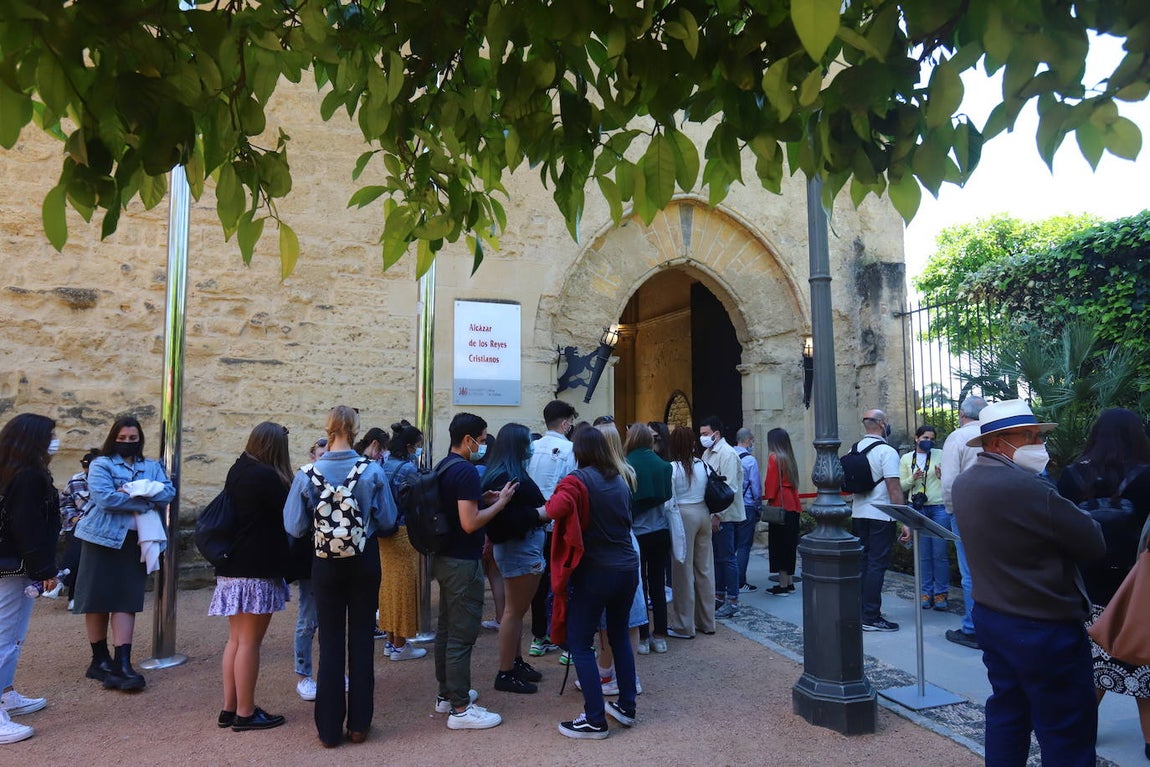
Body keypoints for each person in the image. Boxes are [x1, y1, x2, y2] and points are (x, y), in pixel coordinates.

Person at [952, 399, 1105, 767]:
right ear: (996, 443)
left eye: (1038, 436)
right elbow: (1093, 541)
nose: (1040, 445)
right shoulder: (1028, 487)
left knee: (1008, 713)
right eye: (1030, 436)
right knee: (1066, 729)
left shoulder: (965, 482)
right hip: (1043, 624)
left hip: (993, 614)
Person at [283, 406, 397, 747]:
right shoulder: (371, 471)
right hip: (364, 558)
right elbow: (388, 519)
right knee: (361, 639)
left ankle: (329, 729)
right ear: (356, 429)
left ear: (328, 429)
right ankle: (359, 724)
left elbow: (294, 525)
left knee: (330, 641)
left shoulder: (307, 473)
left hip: (325, 562)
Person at [1055, 407, 1150, 759]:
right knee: (1144, 661)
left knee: (1090, 665)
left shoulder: (1071, 476)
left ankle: (1082, 735)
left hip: (1085, 584)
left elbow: (1059, 530)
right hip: (1138, 586)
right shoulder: (1147, 476)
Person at [547, 426, 640, 739]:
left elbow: (554, 509)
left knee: (580, 643)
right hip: (627, 567)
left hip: (596, 571)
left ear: (579, 451)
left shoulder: (578, 480)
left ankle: (594, 719)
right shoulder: (620, 479)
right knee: (618, 635)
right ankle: (626, 706)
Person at [73, 416, 176, 692]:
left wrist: (130, 494)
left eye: (133, 438)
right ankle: (99, 660)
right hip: (100, 538)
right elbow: (105, 499)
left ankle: (122, 662)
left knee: (126, 601)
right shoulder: (101, 464)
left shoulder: (151, 466)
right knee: (96, 600)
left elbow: (168, 493)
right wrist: (145, 500)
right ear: (113, 438)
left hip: (134, 541)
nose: (128, 442)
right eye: (122, 438)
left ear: (140, 439)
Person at [431, 412, 517, 730]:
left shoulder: (444, 466)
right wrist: (500, 503)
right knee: (461, 635)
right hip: (463, 562)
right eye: (481, 439)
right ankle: (460, 708)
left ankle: (446, 694)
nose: (483, 445)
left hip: (444, 557)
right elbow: (469, 523)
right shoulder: (465, 470)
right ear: (468, 440)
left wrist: (482, 499)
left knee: (446, 630)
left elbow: (456, 508)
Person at [210, 422, 294, 732]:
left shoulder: (238, 469)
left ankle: (230, 707)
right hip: (256, 568)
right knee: (249, 643)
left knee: (235, 640)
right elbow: (289, 514)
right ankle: (245, 713)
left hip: (233, 565)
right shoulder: (267, 477)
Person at [0, 414, 61, 744]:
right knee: (5, 636)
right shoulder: (27, 476)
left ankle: (6, 693)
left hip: (13, 563)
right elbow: (27, 526)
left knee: (13, 635)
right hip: (14, 566)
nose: (54, 441)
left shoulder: (14, 472)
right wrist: (44, 569)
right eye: (50, 436)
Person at [481, 423, 548, 693]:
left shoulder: (505, 472)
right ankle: (506, 671)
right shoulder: (506, 476)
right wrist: (539, 514)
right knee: (513, 612)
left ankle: (515, 661)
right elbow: (506, 519)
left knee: (516, 612)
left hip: (519, 548)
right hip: (518, 549)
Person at [525, 400, 577, 658]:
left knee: (539, 581)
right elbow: (574, 487)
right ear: (565, 423)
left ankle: (539, 636)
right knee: (563, 581)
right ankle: (566, 641)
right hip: (559, 524)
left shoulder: (531, 448)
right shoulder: (570, 449)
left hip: (535, 522)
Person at [850, 409, 906, 632]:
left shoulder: (854, 449)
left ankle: (860, 609)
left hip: (858, 513)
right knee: (876, 565)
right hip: (881, 514)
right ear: (882, 424)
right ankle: (871, 616)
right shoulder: (887, 451)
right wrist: (904, 520)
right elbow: (894, 488)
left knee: (863, 563)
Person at [377, 421, 428, 662]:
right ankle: (400, 644)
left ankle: (391, 640)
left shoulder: (384, 465)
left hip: (385, 533)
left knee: (389, 586)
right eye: (417, 445)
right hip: (404, 532)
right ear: (409, 446)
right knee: (405, 587)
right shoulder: (408, 469)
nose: (418, 450)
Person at [940, 396, 987, 650]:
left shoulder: (957, 437)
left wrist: (951, 510)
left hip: (966, 509)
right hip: (997, 508)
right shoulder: (993, 433)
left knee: (970, 571)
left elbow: (949, 481)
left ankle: (973, 628)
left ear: (961, 414)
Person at [624, 424, 672, 654]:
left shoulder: (626, 465)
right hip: (660, 530)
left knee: (639, 585)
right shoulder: (662, 465)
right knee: (658, 584)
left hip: (637, 532)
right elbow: (667, 495)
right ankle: (660, 635)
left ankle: (642, 636)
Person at [667, 425, 714, 638]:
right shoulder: (702, 464)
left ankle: (684, 625)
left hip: (683, 516)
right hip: (703, 513)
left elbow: (669, 500)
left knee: (682, 570)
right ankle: (707, 621)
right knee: (705, 569)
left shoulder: (672, 468)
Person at [290, 437, 326, 701]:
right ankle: (304, 675)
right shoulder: (304, 478)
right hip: (312, 558)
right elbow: (295, 525)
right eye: (320, 454)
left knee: (333, 618)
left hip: (329, 557)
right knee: (308, 617)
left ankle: (330, 671)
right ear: (313, 456)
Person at [700, 416, 744, 618]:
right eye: (701, 434)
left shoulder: (728, 454)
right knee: (717, 557)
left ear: (716, 434)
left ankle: (733, 600)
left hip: (725, 515)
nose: (702, 437)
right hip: (712, 514)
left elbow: (730, 488)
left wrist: (717, 515)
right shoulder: (707, 453)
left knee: (727, 558)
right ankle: (719, 596)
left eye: (706, 434)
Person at [900, 425, 948, 610]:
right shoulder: (906, 458)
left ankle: (941, 594)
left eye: (932, 438)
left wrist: (942, 476)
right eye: (925, 438)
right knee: (923, 554)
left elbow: (950, 480)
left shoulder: (940, 454)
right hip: (917, 508)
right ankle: (925, 593)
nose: (929, 441)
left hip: (938, 507)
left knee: (939, 553)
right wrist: (912, 478)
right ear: (916, 438)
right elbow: (901, 486)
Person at [59, 448, 100, 607]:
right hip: (79, 525)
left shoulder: (109, 480)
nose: (87, 469)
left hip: (101, 526)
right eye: (84, 465)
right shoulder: (75, 481)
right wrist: (72, 517)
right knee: (78, 550)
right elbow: (65, 502)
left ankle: (61, 577)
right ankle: (73, 596)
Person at [763, 428, 802, 596]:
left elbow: (771, 486)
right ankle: (790, 582)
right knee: (789, 545)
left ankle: (783, 585)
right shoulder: (789, 458)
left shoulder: (774, 458)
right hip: (793, 504)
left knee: (779, 546)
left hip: (780, 505)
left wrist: (767, 496)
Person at [733, 428, 761, 593]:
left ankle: (727, 580)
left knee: (731, 545)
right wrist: (759, 507)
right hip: (747, 506)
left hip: (730, 506)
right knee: (744, 545)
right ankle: (740, 581)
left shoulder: (728, 455)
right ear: (748, 440)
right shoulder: (750, 460)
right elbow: (756, 488)